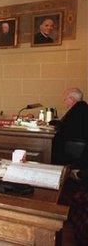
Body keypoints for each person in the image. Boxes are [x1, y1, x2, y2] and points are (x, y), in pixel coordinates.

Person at [51, 88, 88, 245]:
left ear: (72, 100)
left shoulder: (77, 111)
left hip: (73, 158)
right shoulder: (83, 109)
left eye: (65, 99)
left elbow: (63, 132)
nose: (64, 102)